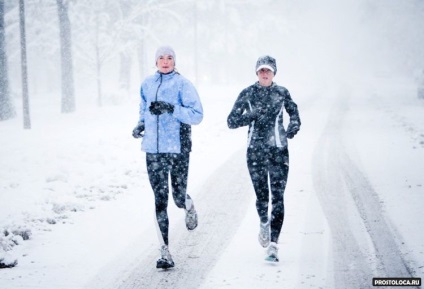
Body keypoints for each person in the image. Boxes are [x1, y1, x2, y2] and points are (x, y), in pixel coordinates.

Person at [132, 46, 203, 269]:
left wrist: (171, 108)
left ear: (175, 61)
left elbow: (197, 115)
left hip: (178, 148)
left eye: (169, 58)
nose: (165, 61)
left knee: (178, 197)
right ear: (155, 62)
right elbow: (144, 109)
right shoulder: (147, 84)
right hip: (153, 150)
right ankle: (165, 252)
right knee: (159, 200)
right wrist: (140, 125)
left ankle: (188, 205)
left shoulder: (183, 84)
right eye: (161, 58)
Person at [227, 55, 301, 262]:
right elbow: (231, 121)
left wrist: (293, 126)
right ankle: (263, 223)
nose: (265, 73)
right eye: (261, 71)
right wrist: (250, 115)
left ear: (274, 72)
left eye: (268, 70)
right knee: (262, 197)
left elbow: (294, 113)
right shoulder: (248, 93)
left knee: (278, 198)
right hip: (255, 151)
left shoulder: (282, 92)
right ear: (257, 73)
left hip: (278, 151)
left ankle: (274, 245)